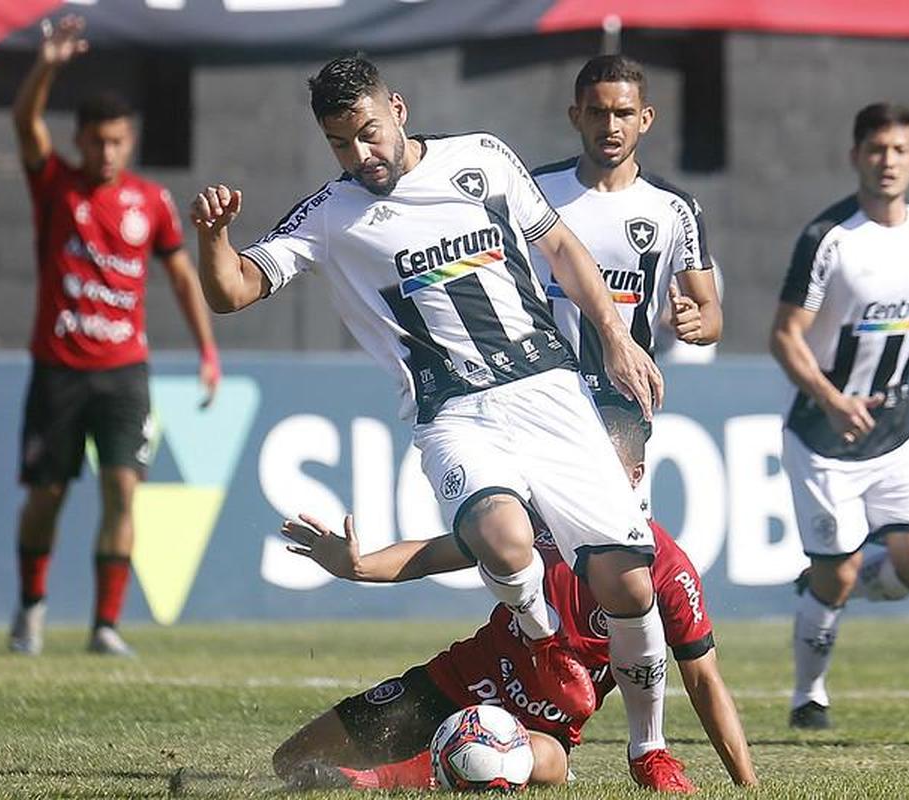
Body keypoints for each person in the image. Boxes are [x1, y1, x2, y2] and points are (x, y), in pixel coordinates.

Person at [192, 55, 676, 783]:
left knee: (628, 585)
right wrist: (212, 239)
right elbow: (231, 291)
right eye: (340, 144)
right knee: (502, 540)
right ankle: (541, 639)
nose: (360, 155)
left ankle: (649, 750)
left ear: (399, 110)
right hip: (453, 410)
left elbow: (561, 250)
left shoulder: (479, 159)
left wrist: (612, 338)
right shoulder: (330, 216)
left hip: (547, 390)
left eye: (368, 133)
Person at [272, 401, 758, 792]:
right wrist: (358, 565)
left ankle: (375, 781)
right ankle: (417, 763)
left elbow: (704, 681)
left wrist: (747, 785)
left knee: (536, 761)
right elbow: (427, 557)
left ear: (634, 477)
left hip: (539, 729)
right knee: (292, 761)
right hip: (456, 683)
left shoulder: (666, 569)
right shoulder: (534, 521)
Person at [7, 15, 221, 657]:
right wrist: (46, 66)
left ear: (129, 144)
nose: (106, 153)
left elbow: (184, 280)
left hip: (125, 371)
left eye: (118, 142)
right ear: (81, 140)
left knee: (124, 489)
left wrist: (209, 351)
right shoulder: (55, 186)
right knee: (47, 494)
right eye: (97, 142)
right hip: (58, 369)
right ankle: (32, 608)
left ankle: (105, 625)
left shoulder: (151, 202)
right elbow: (24, 124)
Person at [770, 102, 909, 729]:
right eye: (876, 149)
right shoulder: (829, 240)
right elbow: (785, 336)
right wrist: (831, 398)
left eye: (900, 150)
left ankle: (843, 573)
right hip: (824, 437)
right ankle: (807, 696)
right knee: (836, 578)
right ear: (856, 157)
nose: (888, 161)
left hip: (894, 435)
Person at [531, 54, 721, 444]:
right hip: (541, 395)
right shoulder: (534, 191)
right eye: (598, 113)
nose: (611, 126)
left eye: (624, 113)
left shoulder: (673, 208)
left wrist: (695, 325)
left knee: (621, 507)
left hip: (624, 401)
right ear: (575, 116)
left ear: (646, 118)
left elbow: (711, 316)